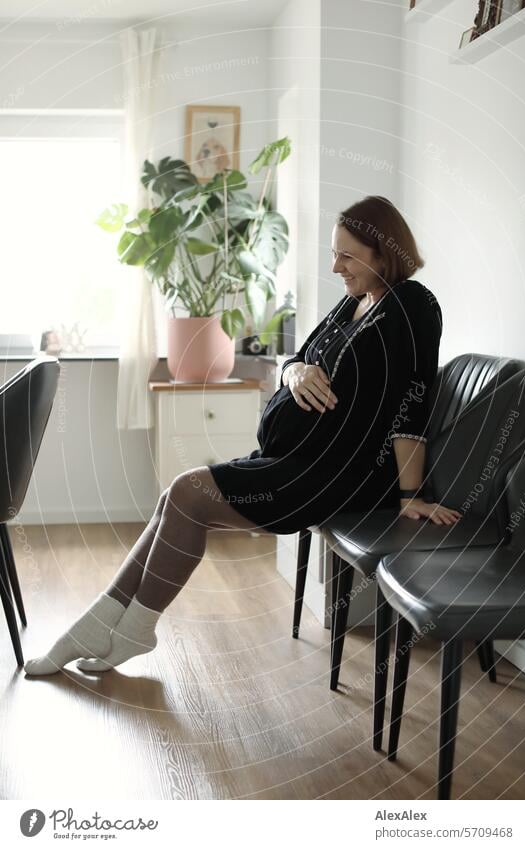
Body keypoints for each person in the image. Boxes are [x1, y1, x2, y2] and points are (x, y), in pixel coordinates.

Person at [24, 195, 461, 676]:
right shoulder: (358, 301)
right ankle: (100, 622)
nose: (335, 265)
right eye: (334, 253)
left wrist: (410, 494)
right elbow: (298, 358)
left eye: (347, 255)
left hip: (336, 477)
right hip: (292, 461)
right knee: (177, 493)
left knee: (190, 492)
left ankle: (131, 631)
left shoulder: (413, 305)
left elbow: (414, 400)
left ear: (385, 252)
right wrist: (294, 374)